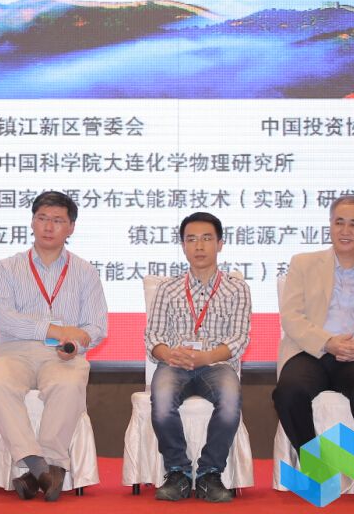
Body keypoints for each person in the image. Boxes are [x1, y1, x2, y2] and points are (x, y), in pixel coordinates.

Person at [271, 195, 354, 505]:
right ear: (329, 225)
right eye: (339, 222)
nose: (345, 230)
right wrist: (327, 342)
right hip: (310, 351)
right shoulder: (303, 263)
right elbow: (292, 317)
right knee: (288, 391)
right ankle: (316, 466)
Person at [0, 191, 108, 502]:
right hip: (15, 351)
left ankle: (42, 469)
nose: (48, 227)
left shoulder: (85, 272)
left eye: (57, 220)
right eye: (42, 218)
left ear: (71, 227)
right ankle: (41, 465)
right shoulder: (7, 268)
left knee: (69, 384)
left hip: (62, 354)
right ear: (32, 222)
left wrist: (73, 341)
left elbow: (96, 327)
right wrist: (54, 329)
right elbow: (4, 319)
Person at [144, 212, 251, 503]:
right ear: (183, 245)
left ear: (220, 244)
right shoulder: (168, 289)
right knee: (161, 401)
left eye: (206, 239)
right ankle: (177, 472)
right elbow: (153, 337)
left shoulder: (236, 288)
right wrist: (169, 354)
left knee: (230, 403)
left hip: (216, 365)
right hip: (174, 363)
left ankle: (209, 474)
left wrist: (206, 357)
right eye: (191, 239)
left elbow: (239, 338)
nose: (199, 246)